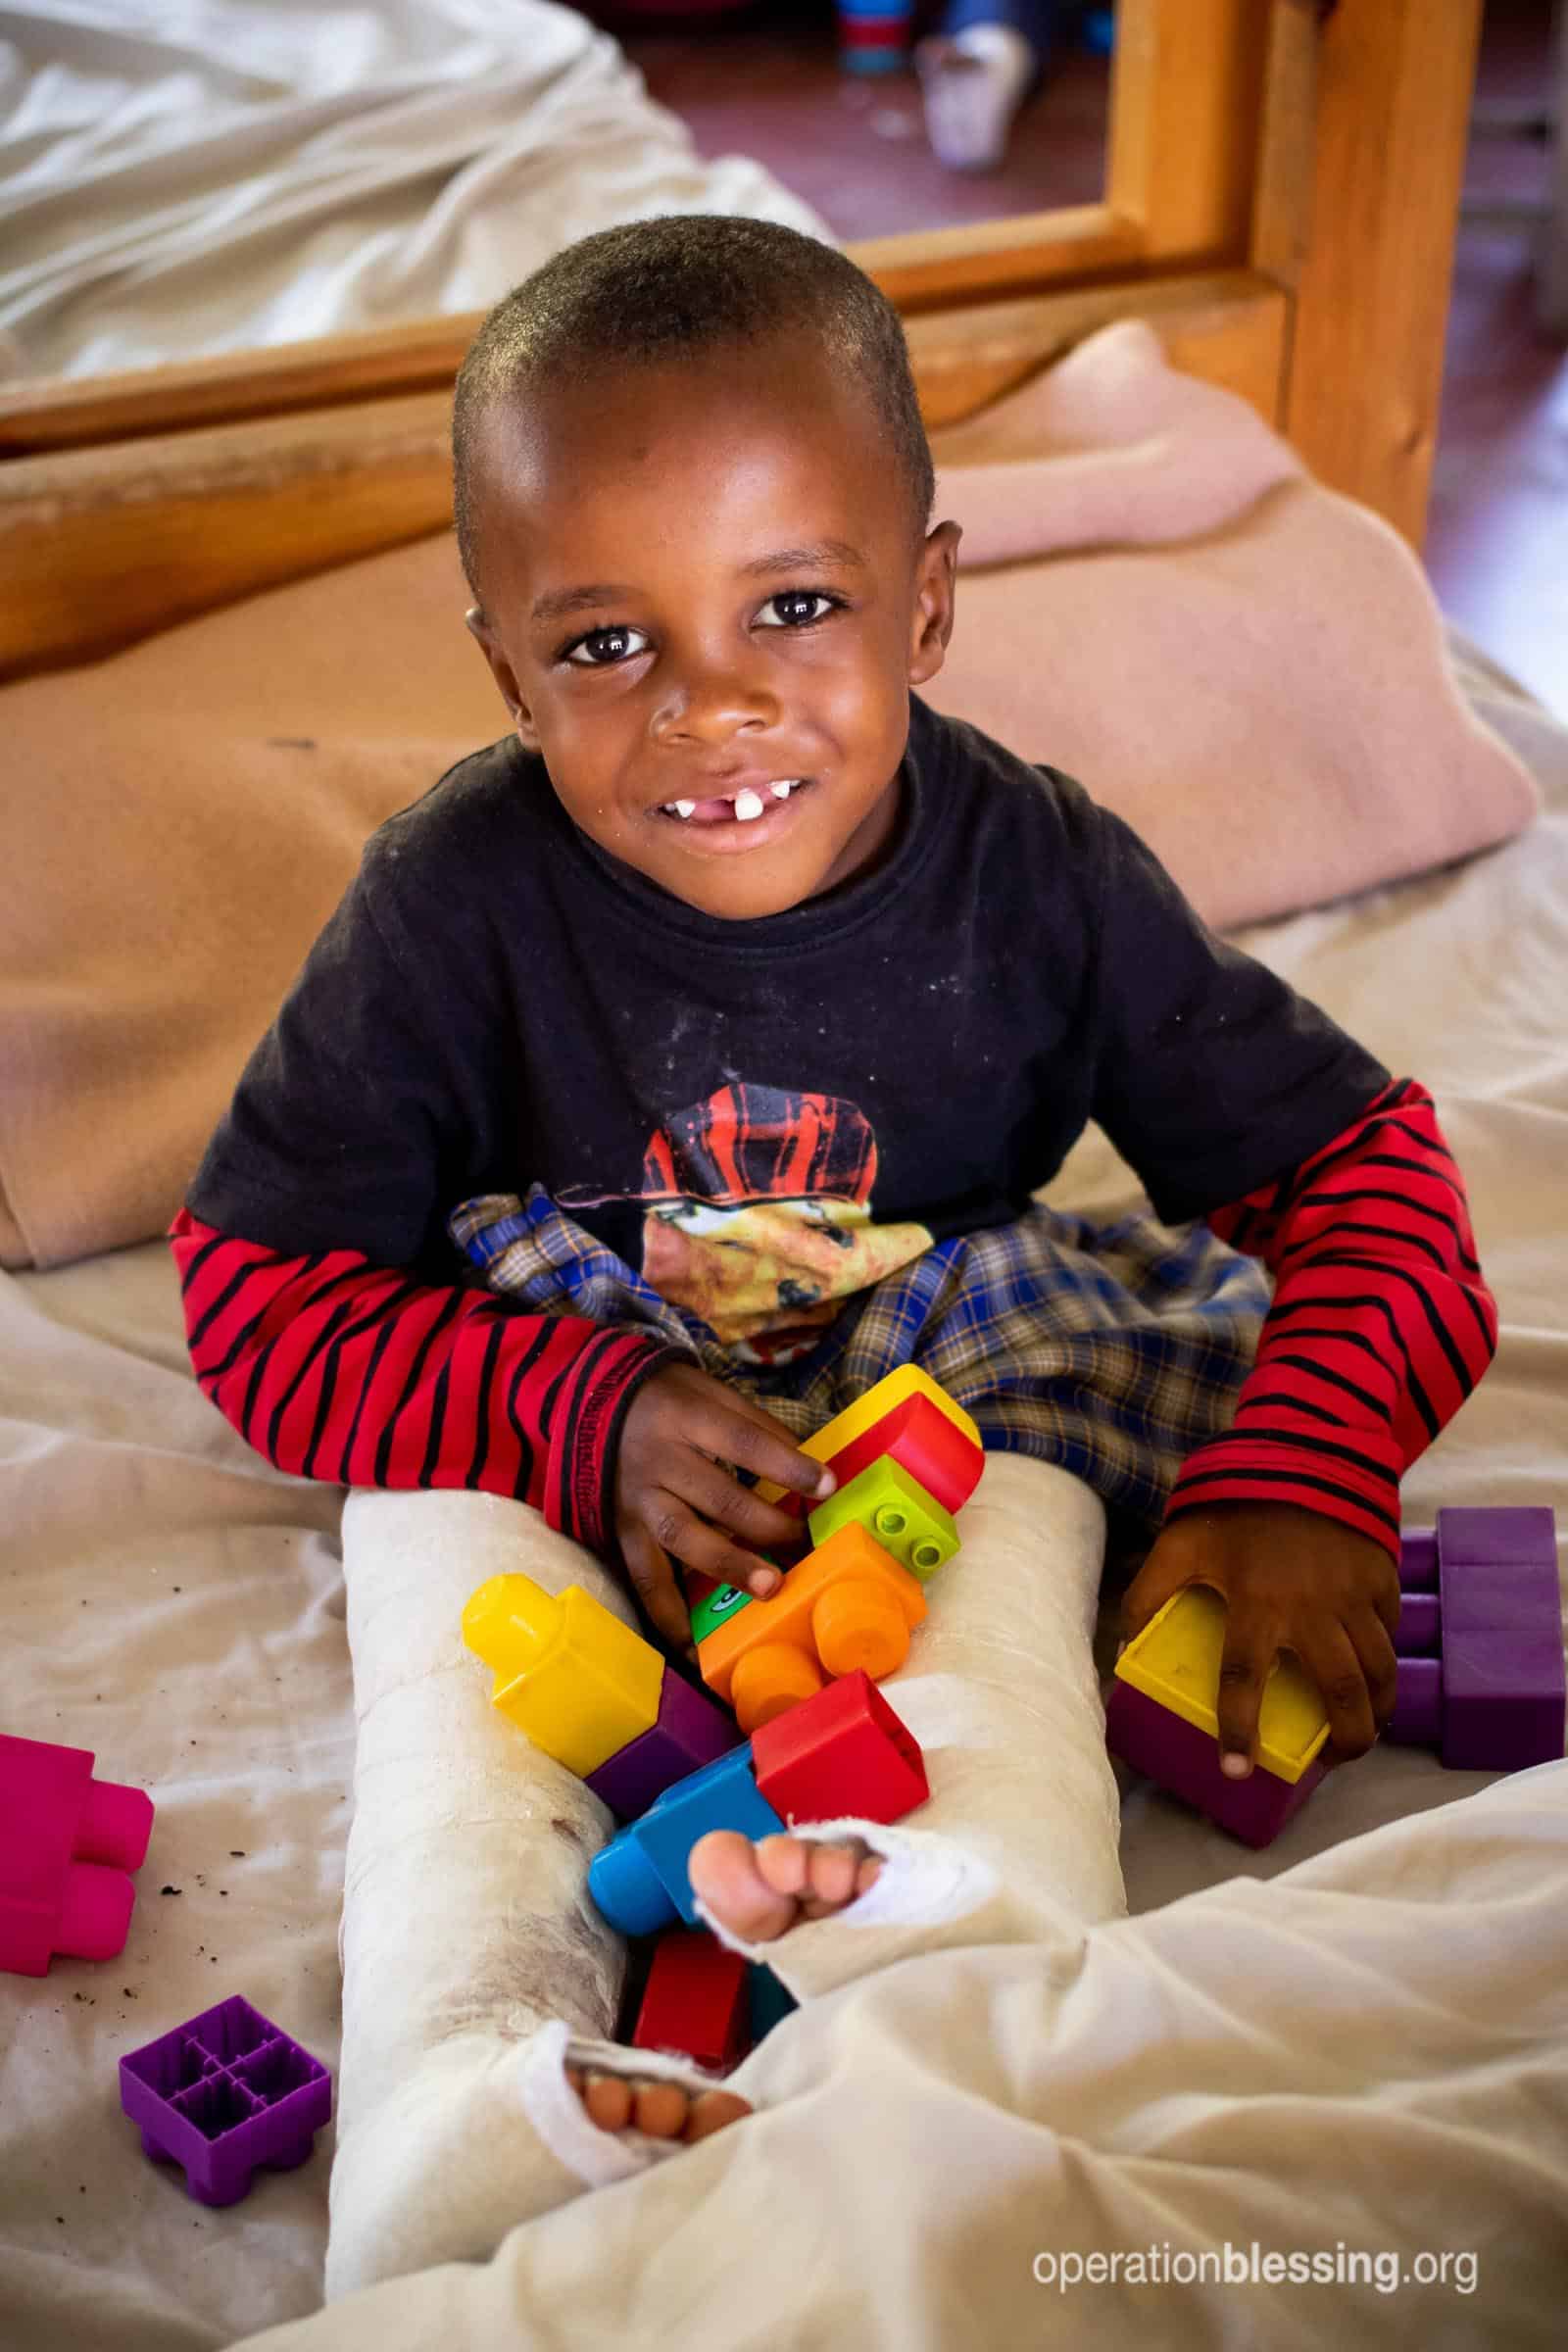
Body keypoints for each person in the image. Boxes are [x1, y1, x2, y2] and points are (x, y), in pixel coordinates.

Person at [172, 215, 1495, 2155]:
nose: (709, 707)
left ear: (925, 606)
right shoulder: (445, 905)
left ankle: (971, 2051)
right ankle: (484, 2103)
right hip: (566, 1378)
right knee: (456, 1660)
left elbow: (1365, 1179)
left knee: (1025, 1600)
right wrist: (571, 1415)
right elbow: (255, 1294)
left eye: (792, 607)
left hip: (942, 1375)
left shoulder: (1036, 871)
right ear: (505, 668)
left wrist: (1297, 1478)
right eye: (606, 643)